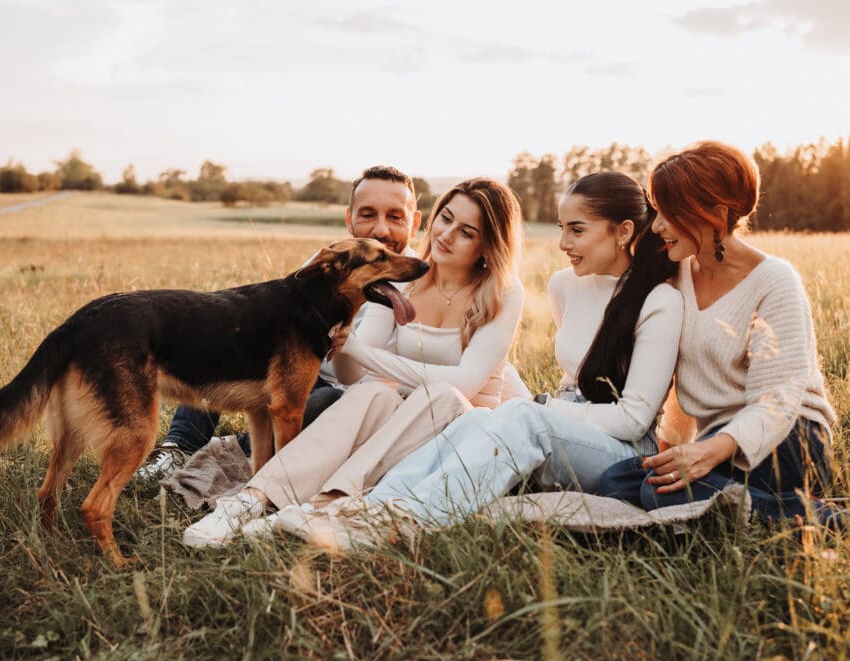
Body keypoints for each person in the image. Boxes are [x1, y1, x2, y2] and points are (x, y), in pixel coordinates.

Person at [282, 171, 684, 542]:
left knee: (523, 417)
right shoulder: (565, 285)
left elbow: (632, 421)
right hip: (568, 423)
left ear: (623, 231)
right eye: (563, 229)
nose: (563, 244)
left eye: (577, 230)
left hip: (624, 450)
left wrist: (543, 409)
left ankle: (405, 521)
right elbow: (570, 382)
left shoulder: (660, 301)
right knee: (476, 418)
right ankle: (361, 508)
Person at [182, 178, 526, 547]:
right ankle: (250, 500)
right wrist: (346, 336)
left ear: (488, 244)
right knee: (372, 391)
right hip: (397, 427)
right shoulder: (403, 280)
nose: (446, 234)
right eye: (445, 219)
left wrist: (361, 351)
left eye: (467, 232)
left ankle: (325, 507)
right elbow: (352, 374)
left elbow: (466, 383)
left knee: (442, 394)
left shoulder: (502, 290)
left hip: (464, 431)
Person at [597, 141, 839, 520]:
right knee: (614, 483)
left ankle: (838, 524)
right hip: (719, 439)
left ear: (717, 215)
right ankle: (766, 509)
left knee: (662, 494)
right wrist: (672, 448)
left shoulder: (774, 281)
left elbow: (775, 403)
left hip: (790, 438)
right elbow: (685, 375)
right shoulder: (676, 275)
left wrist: (710, 451)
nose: (658, 226)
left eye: (669, 213)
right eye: (657, 211)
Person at [137, 165, 424, 478]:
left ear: (415, 222)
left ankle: (230, 449)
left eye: (395, 216)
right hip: (293, 368)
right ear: (349, 218)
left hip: (351, 395)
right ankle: (179, 446)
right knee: (220, 345)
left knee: (328, 403)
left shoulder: (421, 280)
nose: (380, 229)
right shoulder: (328, 262)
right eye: (367, 214)